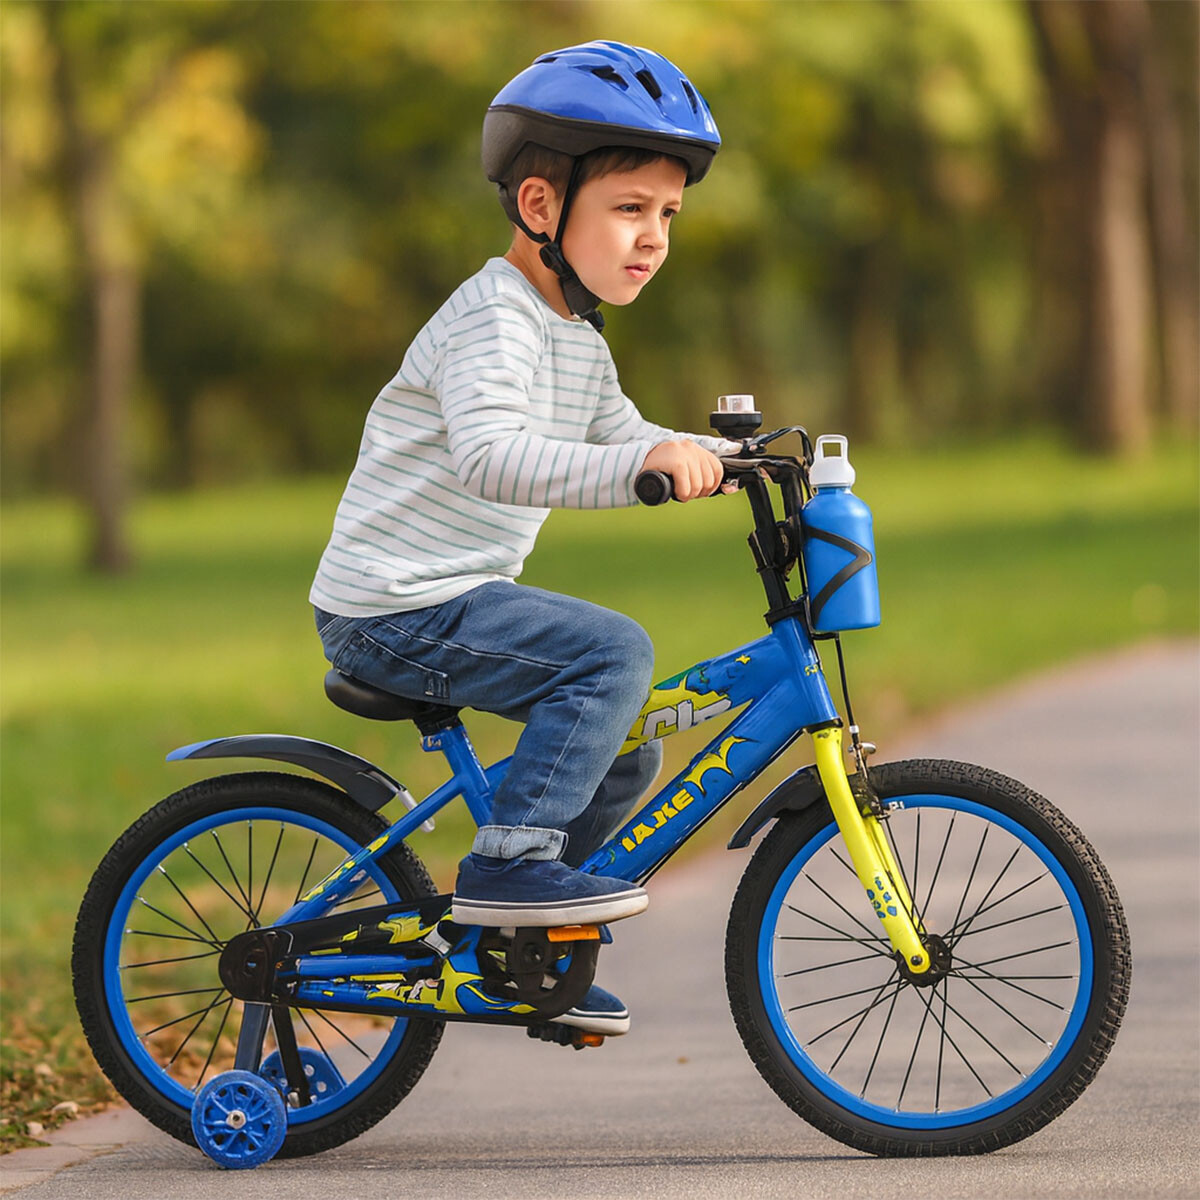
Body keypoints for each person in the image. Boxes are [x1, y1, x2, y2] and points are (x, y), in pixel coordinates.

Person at [311, 41, 728, 1034]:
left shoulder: (572, 336)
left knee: (622, 755)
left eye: (667, 215)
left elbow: (624, 432)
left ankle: (518, 953)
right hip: (393, 605)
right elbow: (494, 457)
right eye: (630, 208)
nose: (654, 237)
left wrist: (716, 454)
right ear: (541, 207)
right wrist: (640, 472)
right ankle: (509, 870)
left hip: (448, 596)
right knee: (612, 653)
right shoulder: (494, 319)